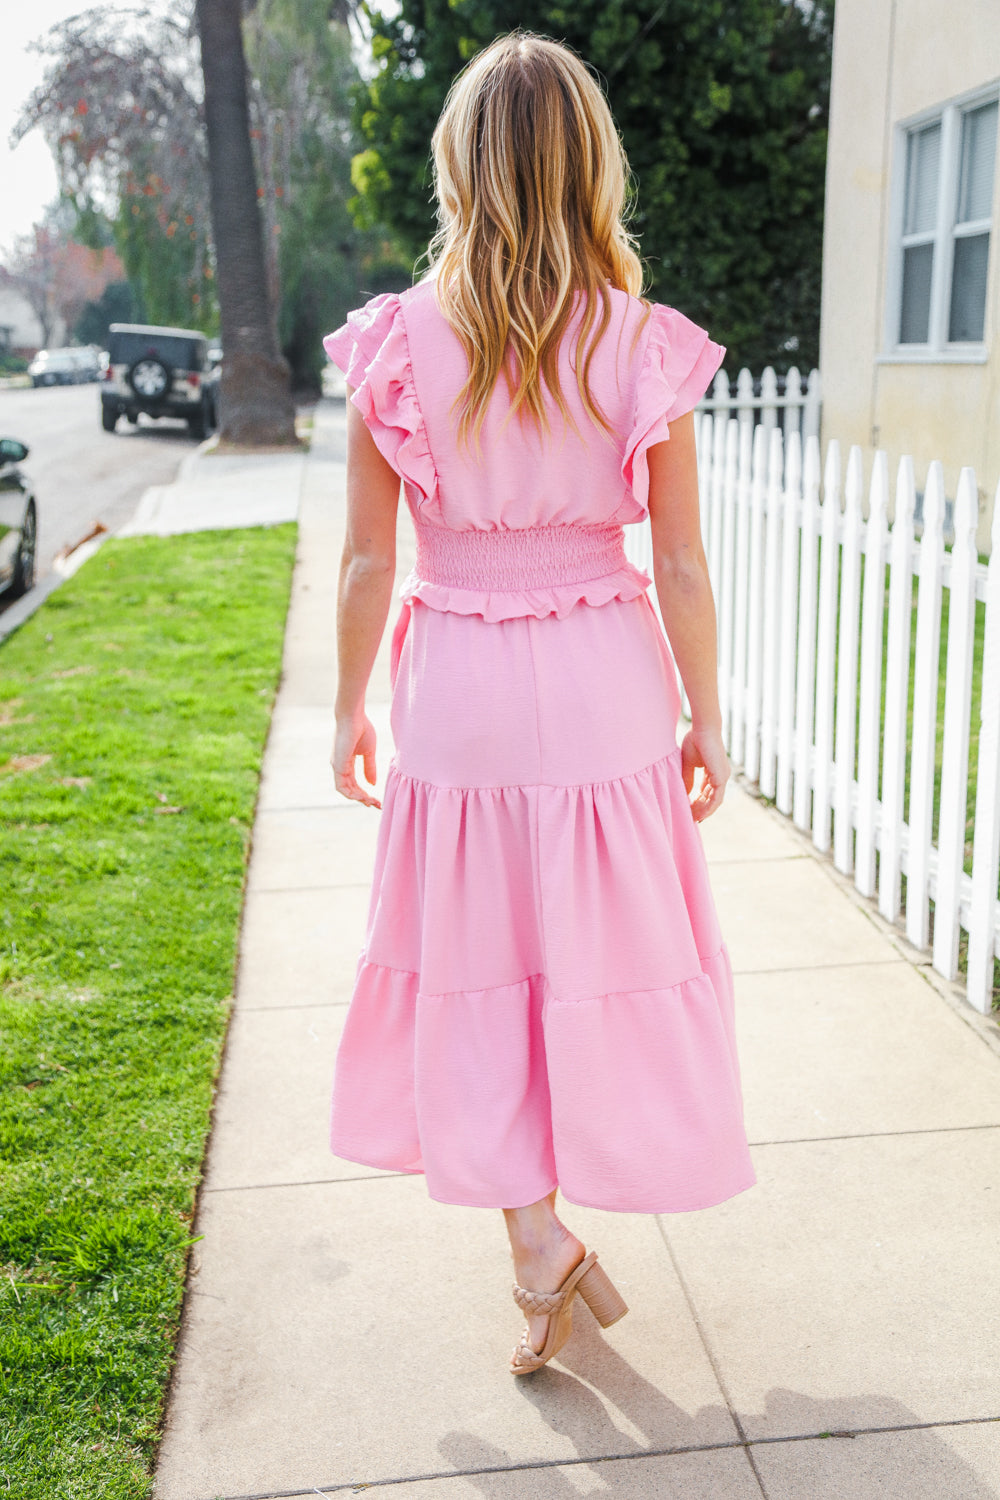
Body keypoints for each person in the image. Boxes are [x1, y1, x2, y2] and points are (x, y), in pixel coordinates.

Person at [323, 29, 756, 1377]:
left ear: (459, 165)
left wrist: (344, 709)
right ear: (590, 168)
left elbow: (364, 560)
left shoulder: (399, 343)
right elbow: (676, 559)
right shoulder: (641, 344)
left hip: (456, 682)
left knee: (475, 967)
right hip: (601, 684)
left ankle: (532, 1239)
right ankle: (550, 1236)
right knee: (594, 959)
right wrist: (709, 714)